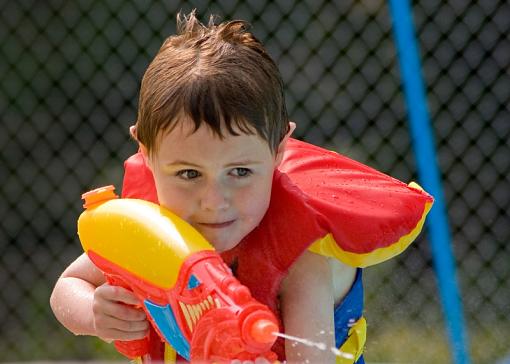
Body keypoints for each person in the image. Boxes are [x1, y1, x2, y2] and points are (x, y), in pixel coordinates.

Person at [50, 11, 433, 363]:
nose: (214, 202)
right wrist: (94, 314)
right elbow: (68, 286)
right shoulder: (153, 228)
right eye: (188, 174)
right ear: (147, 155)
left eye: (239, 173)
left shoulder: (300, 260)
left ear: (278, 152)